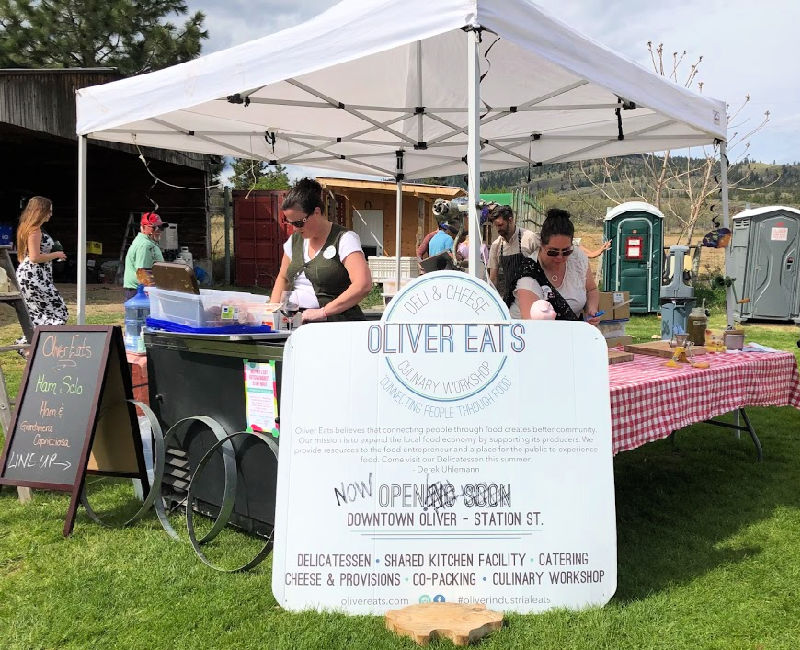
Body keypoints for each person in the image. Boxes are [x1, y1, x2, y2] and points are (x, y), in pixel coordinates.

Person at [270, 177, 372, 323]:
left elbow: (363, 285)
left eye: (299, 223)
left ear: (316, 212)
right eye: (290, 223)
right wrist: (272, 313)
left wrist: (324, 312)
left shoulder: (344, 239)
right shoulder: (294, 240)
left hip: (337, 324)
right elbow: (283, 278)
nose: (295, 229)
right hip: (297, 323)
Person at [506, 208, 601, 324]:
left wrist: (591, 309)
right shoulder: (528, 277)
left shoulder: (577, 258)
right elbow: (533, 327)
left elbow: (591, 290)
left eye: (566, 251)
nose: (560, 258)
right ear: (541, 244)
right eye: (553, 252)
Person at [15, 196, 68, 350]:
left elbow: (24, 256)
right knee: (59, 311)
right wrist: (56, 255)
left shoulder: (26, 227)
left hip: (31, 275)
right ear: (40, 211)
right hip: (34, 276)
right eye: (48, 211)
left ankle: (32, 346)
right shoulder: (34, 230)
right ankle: (27, 344)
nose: (50, 214)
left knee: (38, 314)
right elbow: (35, 257)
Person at [486, 205, 538, 294]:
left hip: (531, 294)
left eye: (500, 225)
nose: (498, 229)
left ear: (510, 220)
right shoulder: (496, 245)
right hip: (509, 297)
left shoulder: (530, 238)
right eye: (496, 226)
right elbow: (493, 279)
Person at [123, 212, 165, 300]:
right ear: (144, 227)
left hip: (142, 290)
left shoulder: (149, 243)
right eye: (155, 227)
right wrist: (150, 293)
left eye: (161, 227)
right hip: (140, 292)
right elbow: (141, 271)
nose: (159, 230)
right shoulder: (145, 245)